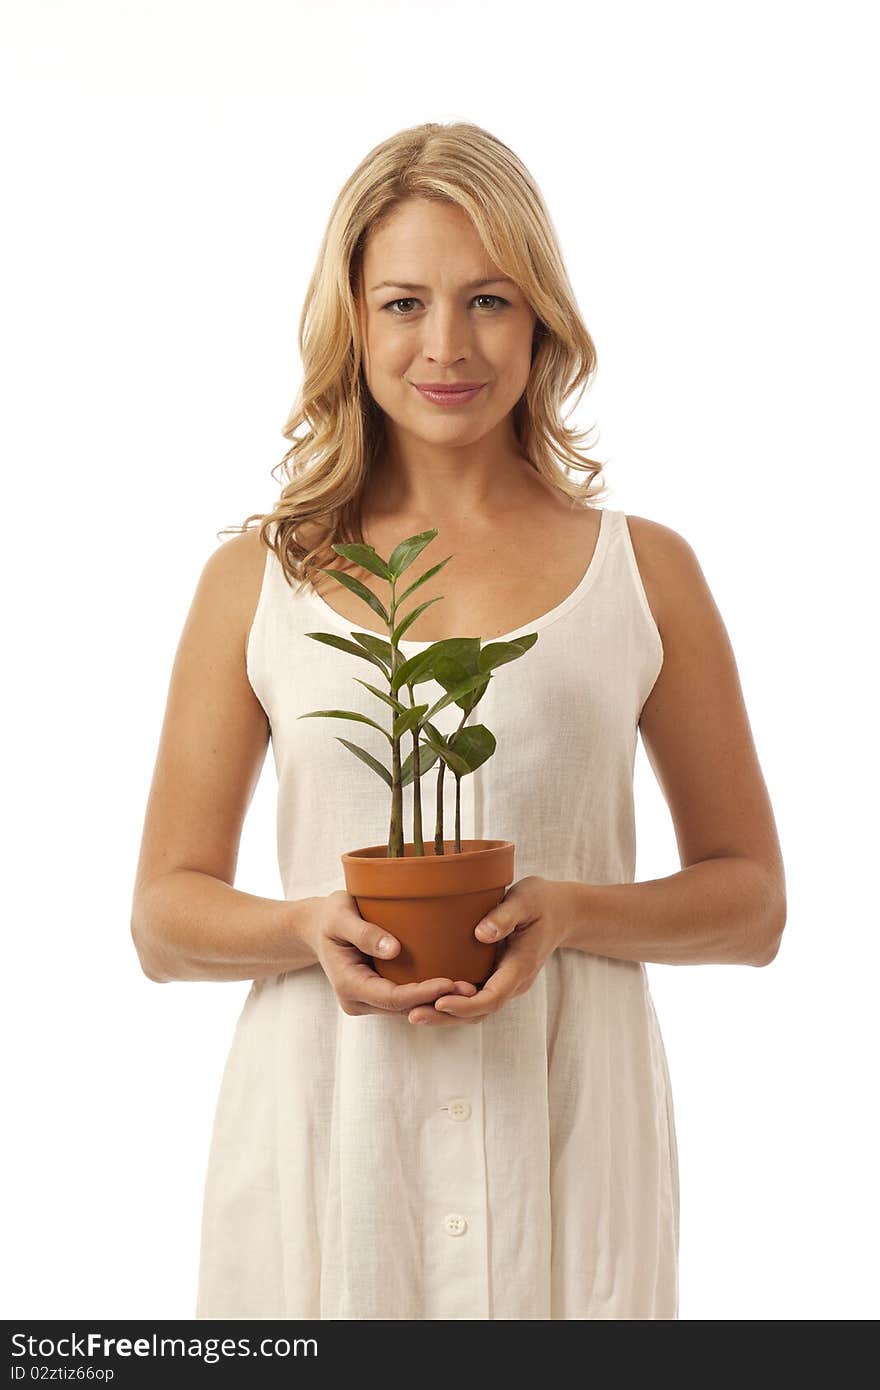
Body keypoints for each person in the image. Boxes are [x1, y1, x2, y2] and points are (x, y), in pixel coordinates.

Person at [130, 121, 786, 1321]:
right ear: (351, 322)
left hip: (573, 1128)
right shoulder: (258, 578)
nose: (445, 346)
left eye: (487, 299)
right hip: (328, 1128)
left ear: (541, 320)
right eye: (401, 303)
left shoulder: (645, 572)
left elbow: (751, 901)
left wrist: (575, 908)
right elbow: (165, 917)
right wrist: (309, 927)